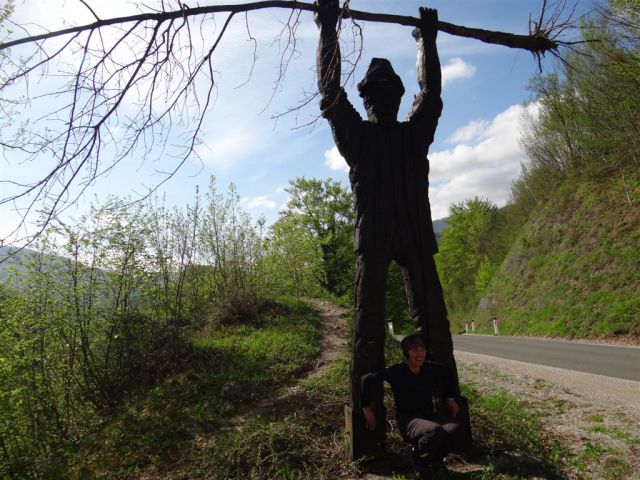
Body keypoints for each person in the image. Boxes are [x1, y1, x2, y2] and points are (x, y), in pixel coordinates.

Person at [315, 0, 459, 411]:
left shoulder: (405, 136)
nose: (383, 99)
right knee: (369, 324)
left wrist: (426, 41)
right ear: (367, 99)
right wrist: (327, 29)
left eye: (388, 92)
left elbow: (430, 96)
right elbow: (330, 91)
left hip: (412, 236)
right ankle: (367, 413)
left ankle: (447, 403)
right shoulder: (362, 138)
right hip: (379, 238)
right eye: (377, 93)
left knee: (433, 323)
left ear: (395, 97)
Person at [361, 333, 461, 479]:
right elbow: (366, 379)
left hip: (429, 416)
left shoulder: (429, 368)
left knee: (454, 429)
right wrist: (366, 408)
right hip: (408, 420)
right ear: (407, 353)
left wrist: (450, 398)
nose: (420, 354)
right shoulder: (397, 371)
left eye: (422, 350)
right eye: (415, 350)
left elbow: (449, 372)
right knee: (433, 430)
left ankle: (435, 460)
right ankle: (421, 463)